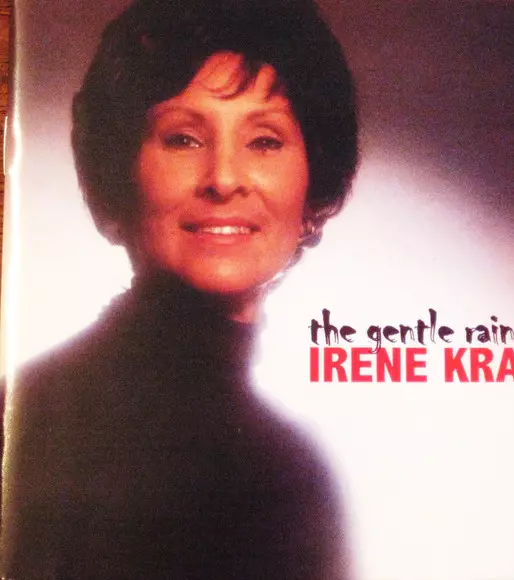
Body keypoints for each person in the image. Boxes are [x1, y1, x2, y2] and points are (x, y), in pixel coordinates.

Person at [0, 0, 358, 577]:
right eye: (183, 139)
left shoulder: (288, 467)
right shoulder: (37, 427)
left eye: (264, 141)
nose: (224, 179)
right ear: (118, 173)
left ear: (314, 184)